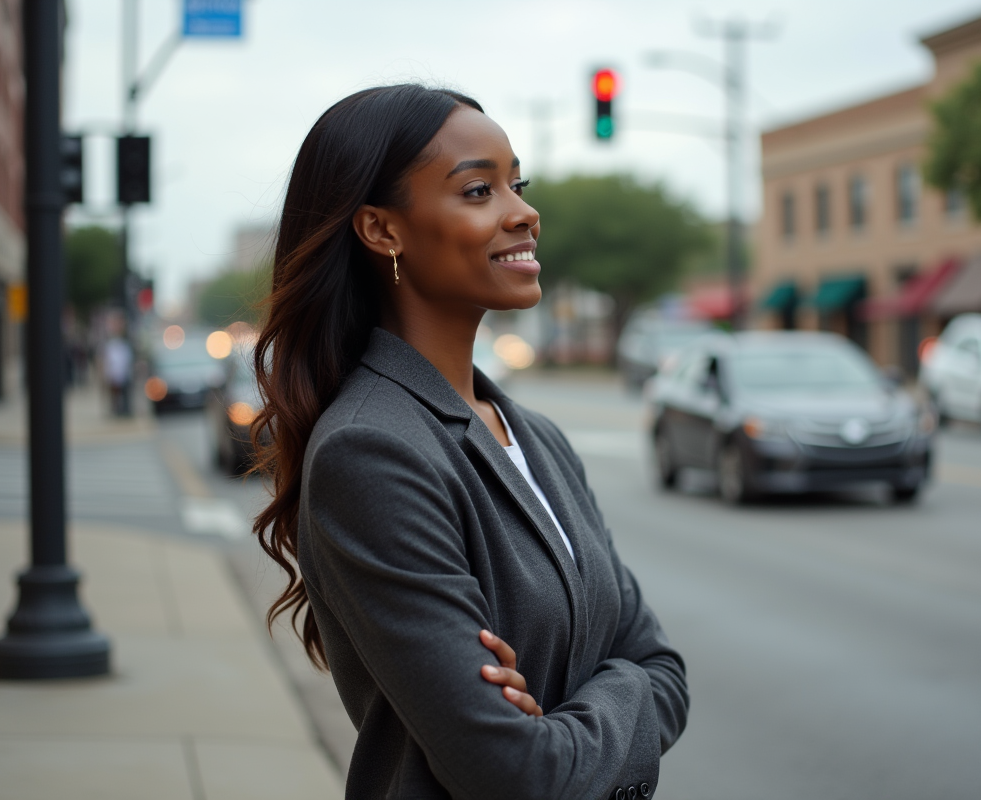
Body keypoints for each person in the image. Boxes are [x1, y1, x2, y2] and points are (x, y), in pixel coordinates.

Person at [250, 85, 689, 800]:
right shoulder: (371, 451)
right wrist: (624, 688)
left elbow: (664, 667)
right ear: (382, 231)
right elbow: (513, 773)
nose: (525, 213)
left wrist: (586, 706)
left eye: (518, 184)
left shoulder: (538, 438)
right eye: (480, 190)